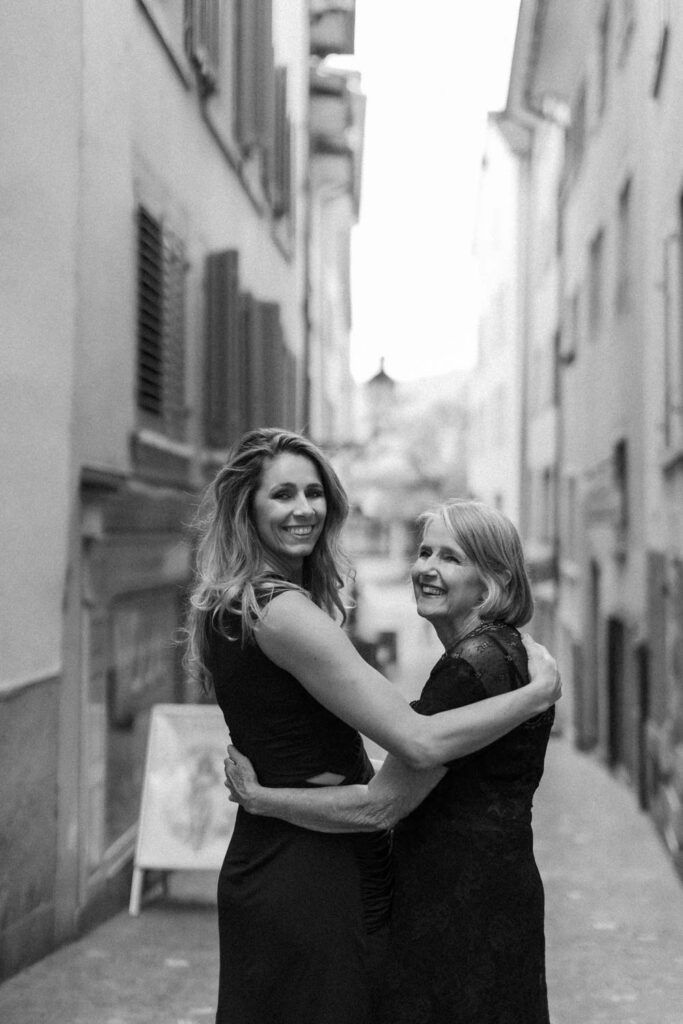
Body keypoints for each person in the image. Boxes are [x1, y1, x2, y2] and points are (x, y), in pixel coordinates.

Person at [185, 429, 560, 1024]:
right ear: (245, 506)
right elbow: (418, 741)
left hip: (307, 855)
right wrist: (537, 693)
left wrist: (265, 799)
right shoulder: (279, 610)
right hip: (311, 865)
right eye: (282, 494)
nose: (304, 509)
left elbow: (413, 764)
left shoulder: (239, 603)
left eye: (314, 492)